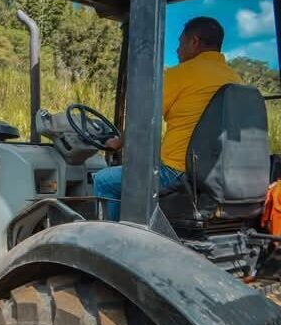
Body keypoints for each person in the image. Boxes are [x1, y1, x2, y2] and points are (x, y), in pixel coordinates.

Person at [94, 16, 242, 221]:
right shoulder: (236, 79)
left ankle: (109, 243)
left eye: (180, 42)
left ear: (195, 42)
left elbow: (142, 119)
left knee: (103, 180)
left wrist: (117, 143)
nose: (177, 50)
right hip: (220, 173)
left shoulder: (182, 73)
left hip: (178, 172)